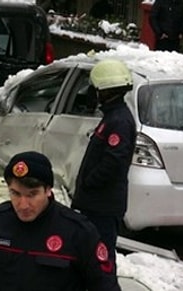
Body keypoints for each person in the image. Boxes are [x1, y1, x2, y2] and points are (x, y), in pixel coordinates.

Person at [0, 151, 120, 291]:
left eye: (32, 195)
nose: (23, 205)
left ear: (48, 190)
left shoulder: (78, 231)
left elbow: (105, 285)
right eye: (15, 193)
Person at [71, 59, 137, 277]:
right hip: (96, 203)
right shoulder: (112, 117)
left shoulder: (119, 121)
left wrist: (89, 183)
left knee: (102, 257)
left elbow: (113, 162)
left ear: (105, 91)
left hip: (103, 205)